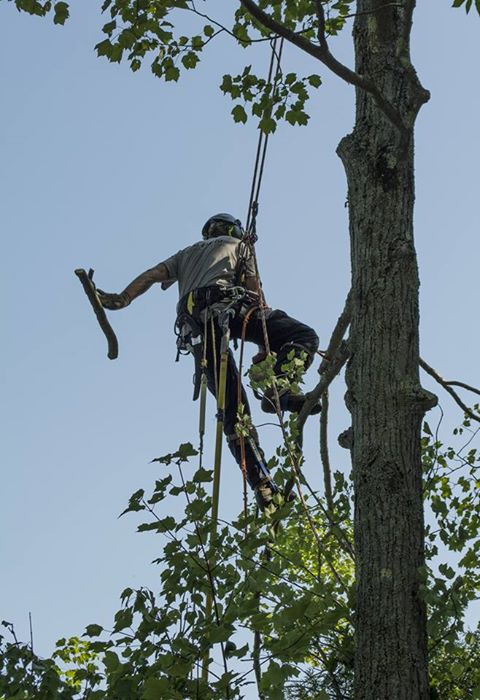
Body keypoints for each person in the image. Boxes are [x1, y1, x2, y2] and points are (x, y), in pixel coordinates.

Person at [97, 213, 319, 509]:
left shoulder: (186, 254)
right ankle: (279, 387)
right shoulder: (240, 245)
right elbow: (254, 293)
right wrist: (266, 341)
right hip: (229, 306)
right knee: (304, 335)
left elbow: (151, 275)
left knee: (233, 411)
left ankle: (263, 486)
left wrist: (122, 298)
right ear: (233, 230)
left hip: (197, 330)